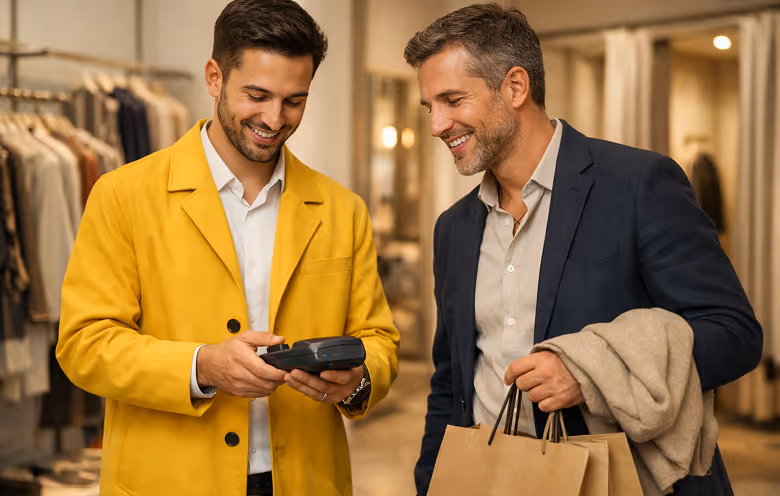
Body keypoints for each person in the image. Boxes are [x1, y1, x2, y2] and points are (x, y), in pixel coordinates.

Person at [404, 4, 762, 495]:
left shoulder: (638, 185)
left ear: (515, 86)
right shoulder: (453, 229)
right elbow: (449, 384)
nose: (436, 126)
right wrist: (432, 485)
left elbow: (735, 335)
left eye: (452, 100)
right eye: (430, 107)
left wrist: (594, 372)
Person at [57, 1, 399, 495]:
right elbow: (84, 344)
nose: (274, 118)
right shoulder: (123, 195)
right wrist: (201, 365)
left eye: (294, 101)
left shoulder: (342, 209)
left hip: (304, 479)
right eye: (256, 95)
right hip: (169, 481)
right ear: (214, 77)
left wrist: (359, 378)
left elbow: (379, 340)